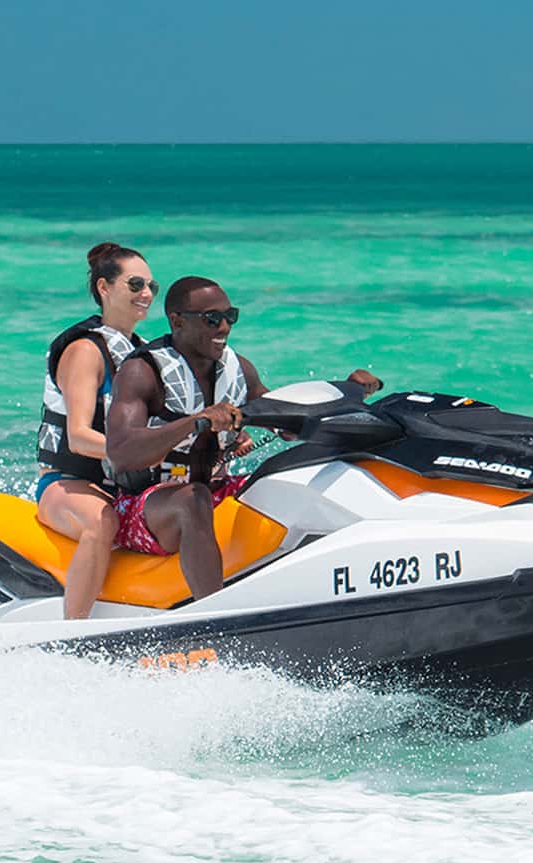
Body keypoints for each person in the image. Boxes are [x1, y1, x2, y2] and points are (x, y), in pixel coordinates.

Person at [105, 276, 381, 598]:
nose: (224, 327)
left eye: (230, 316)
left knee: (296, 479)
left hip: (216, 490)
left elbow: (285, 418)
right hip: (144, 508)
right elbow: (121, 453)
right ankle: (213, 615)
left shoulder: (238, 369)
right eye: (212, 319)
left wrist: (348, 391)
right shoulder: (142, 372)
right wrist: (195, 422)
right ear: (177, 321)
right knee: (194, 499)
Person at [34, 242, 157, 618]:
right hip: (66, 485)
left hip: (122, 484)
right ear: (104, 287)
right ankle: (73, 631)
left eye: (152, 286)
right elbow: (78, 437)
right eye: (135, 284)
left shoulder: (144, 352)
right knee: (102, 522)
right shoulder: (85, 352)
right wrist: (143, 451)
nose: (147, 294)